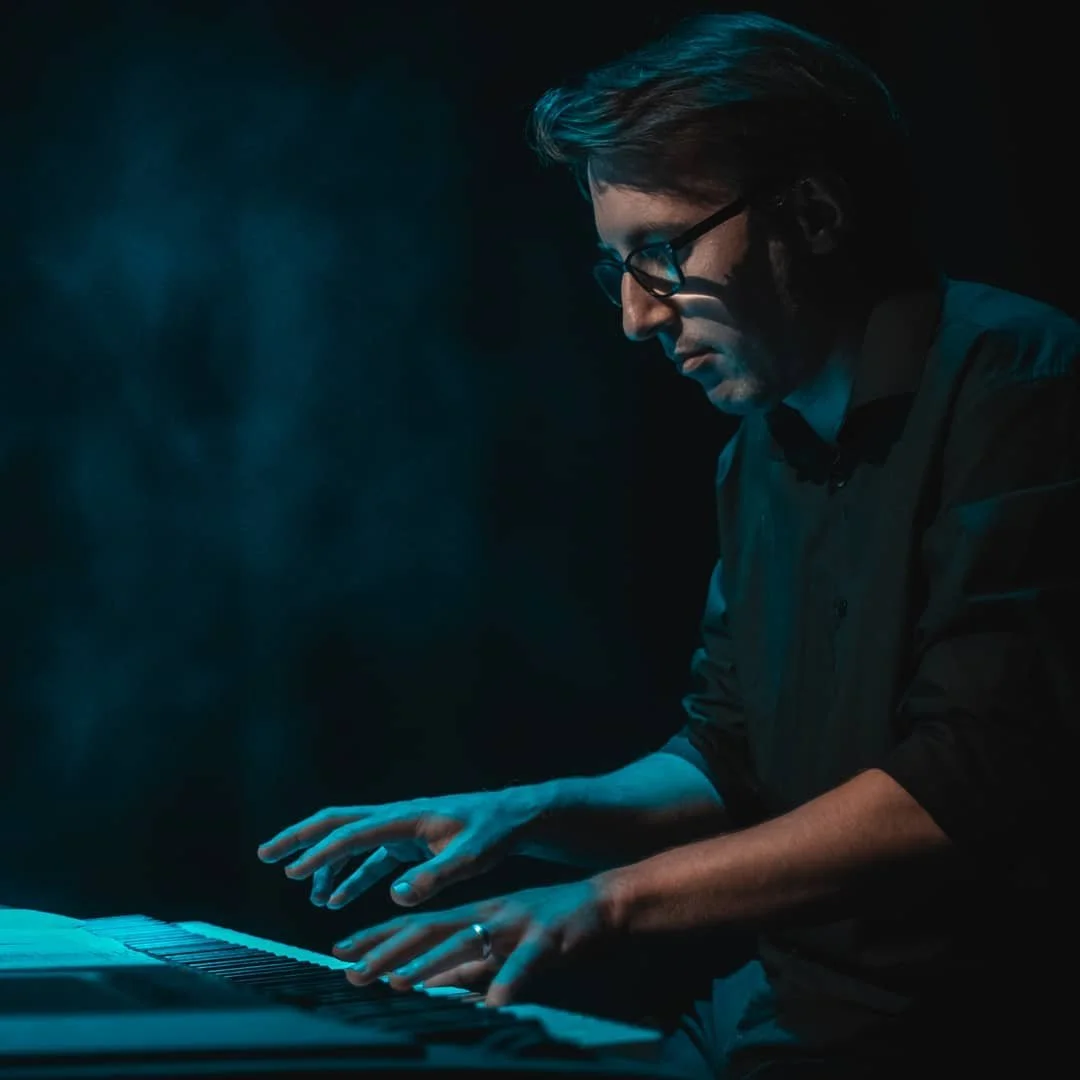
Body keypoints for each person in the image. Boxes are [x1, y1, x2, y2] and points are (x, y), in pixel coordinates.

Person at [257, 11, 1079, 1078]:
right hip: (781, 1009)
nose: (640, 318)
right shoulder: (762, 451)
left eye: (663, 253)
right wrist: (528, 813)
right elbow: (728, 760)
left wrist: (599, 906)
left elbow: (968, 783)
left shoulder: (1021, 387)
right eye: (620, 269)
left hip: (963, 1035)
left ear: (815, 212)